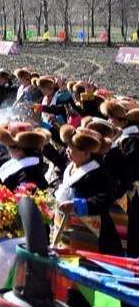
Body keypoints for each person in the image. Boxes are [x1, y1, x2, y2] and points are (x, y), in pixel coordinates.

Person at [55, 126, 122, 256]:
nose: (67, 151)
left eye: (71, 148)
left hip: (94, 232)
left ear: (85, 152)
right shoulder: (70, 167)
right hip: (71, 229)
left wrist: (76, 205)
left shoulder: (97, 174)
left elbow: (105, 200)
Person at [100, 99, 139, 256]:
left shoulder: (132, 141)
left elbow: (129, 171)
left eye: (112, 119)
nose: (109, 122)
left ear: (123, 122)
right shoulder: (127, 139)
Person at [0, 122, 51, 191]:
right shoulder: (33, 160)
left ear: (18, 149)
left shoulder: (27, 175)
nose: (7, 148)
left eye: (9, 145)